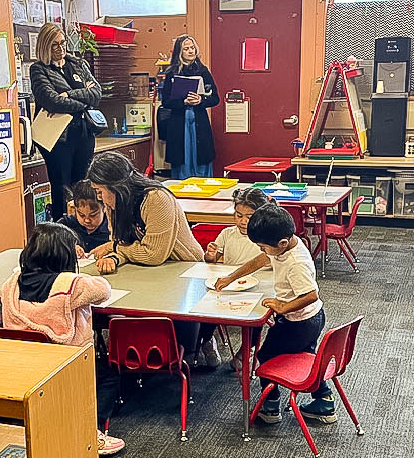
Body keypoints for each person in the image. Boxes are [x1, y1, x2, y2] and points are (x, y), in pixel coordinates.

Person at [0, 223, 125, 455]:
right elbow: (103, 290)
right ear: (64, 257)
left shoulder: (11, 285)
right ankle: (91, 429)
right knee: (109, 377)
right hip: (64, 364)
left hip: (22, 362)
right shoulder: (70, 284)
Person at [216, 204, 335, 424]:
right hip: (310, 317)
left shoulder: (296, 262)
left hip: (299, 321)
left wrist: (282, 306)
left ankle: (270, 408)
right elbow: (260, 261)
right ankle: (325, 401)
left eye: (262, 247)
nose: (262, 251)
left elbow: (311, 295)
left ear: (280, 243)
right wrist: (230, 277)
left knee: (266, 356)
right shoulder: (285, 245)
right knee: (305, 356)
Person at [87, 150, 204, 358]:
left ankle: (200, 341)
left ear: (115, 186)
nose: (98, 197)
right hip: (146, 272)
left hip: (183, 268)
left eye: (100, 190)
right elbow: (121, 243)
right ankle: (134, 359)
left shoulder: (156, 198)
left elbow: (154, 255)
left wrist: (115, 250)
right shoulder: (114, 204)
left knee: (166, 318)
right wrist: (114, 256)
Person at [30, 23, 102, 221]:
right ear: (45, 46)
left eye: (62, 43)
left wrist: (69, 94)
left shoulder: (77, 64)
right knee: (62, 186)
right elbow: (52, 101)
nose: (60, 48)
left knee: (83, 184)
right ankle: (64, 229)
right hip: (58, 138)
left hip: (84, 134)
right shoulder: (39, 70)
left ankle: (84, 226)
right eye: (54, 45)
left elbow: (96, 94)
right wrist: (82, 102)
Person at [200, 188, 274, 369]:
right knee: (207, 308)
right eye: (239, 215)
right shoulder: (228, 233)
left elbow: (267, 261)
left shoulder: (267, 236)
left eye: (249, 216)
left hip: (259, 288)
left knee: (256, 318)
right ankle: (207, 342)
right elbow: (212, 261)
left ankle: (245, 352)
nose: (243, 221)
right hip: (231, 287)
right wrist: (210, 255)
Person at [162, 34, 219, 179]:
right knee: (181, 158)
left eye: (192, 48)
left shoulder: (203, 71)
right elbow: (166, 102)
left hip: (199, 120)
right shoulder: (171, 73)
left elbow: (215, 98)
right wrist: (183, 102)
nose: (190, 51)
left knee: (201, 158)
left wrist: (201, 100)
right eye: (186, 49)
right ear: (179, 52)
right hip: (179, 123)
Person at [58, 179, 109, 256]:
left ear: (105, 208)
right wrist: (68, 246)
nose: (87, 220)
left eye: (93, 215)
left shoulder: (112, 228)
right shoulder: (68, 224)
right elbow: (50, 236)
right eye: (81, 215)